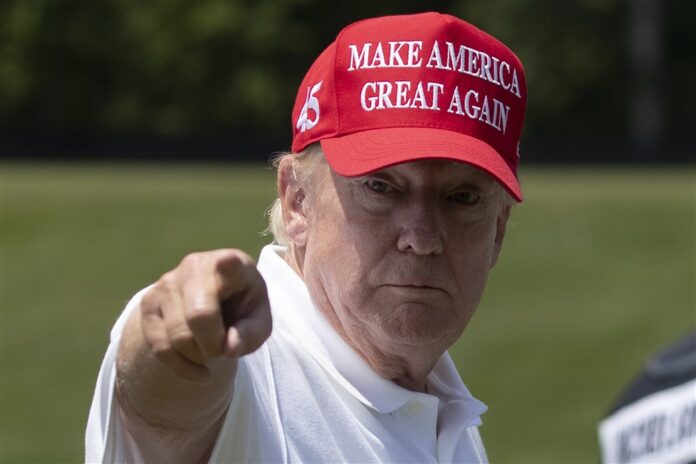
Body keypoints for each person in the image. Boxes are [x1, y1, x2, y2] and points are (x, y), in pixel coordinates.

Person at [86, 11, 527, 463]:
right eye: (380, 187)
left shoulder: (446, 413)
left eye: (461, 198)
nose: (421, 236)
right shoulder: (244, 367)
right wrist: (172, 341)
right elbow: (167, 411)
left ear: (497, 230)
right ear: (297, 200)